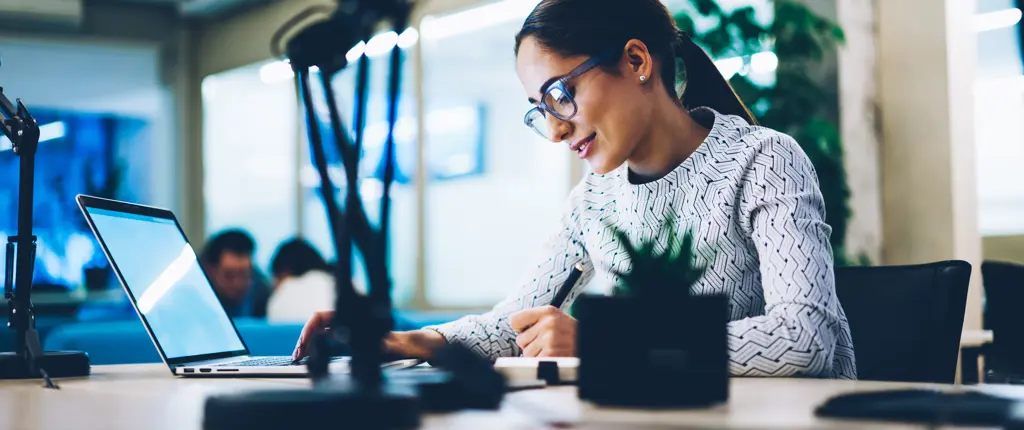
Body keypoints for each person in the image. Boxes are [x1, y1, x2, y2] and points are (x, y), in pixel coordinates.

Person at [294, 0, 856, 379]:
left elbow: (802, 339)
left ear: (637, 61)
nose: (557, 128)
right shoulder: (595, 196)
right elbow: (516, 323)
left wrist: (603, 344)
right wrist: (405, 342)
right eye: (540, 110)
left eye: (561, 95)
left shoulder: (765, 159)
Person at [200, 229, 271, 318]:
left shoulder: (261, 295)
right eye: (229, 276)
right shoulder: (196, 300)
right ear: (210, 271)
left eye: (244, 275)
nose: (238, 283)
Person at [266, 239, 335, 323]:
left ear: (285, 272)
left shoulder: (283, 297)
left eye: (276, 278)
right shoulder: (343, 285)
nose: (273, 285)